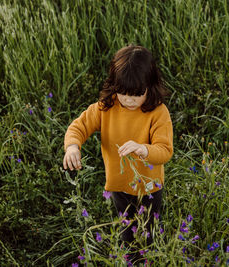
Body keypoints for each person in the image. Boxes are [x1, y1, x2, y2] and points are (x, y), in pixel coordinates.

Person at [63, 45, 173, 264]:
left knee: (147, 232)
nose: (129, 100)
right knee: (127, 230)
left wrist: (143, 149)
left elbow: (165, 151)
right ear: (114, 86)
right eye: (123, 93)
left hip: (149, 187)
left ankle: (147, 258)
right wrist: (73, 146)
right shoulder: (106, 107)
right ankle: (132, 258)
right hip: (118, 185)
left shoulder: (157, 112)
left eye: (137, 94)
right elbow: (79, 127)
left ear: (149, 87)